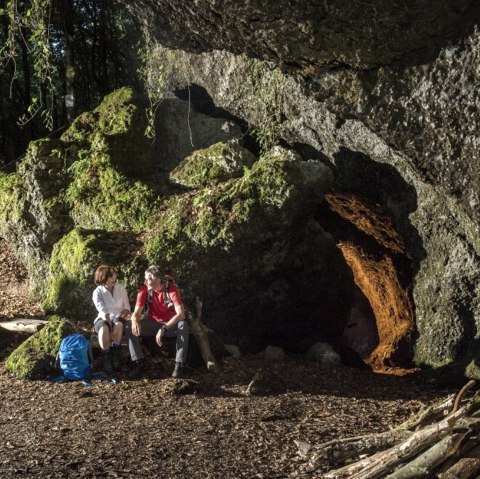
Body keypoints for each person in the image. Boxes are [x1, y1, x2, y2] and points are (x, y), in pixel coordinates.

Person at [125, 265, 189, 379]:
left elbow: (181, 314)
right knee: (129, 325)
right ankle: (138, 362)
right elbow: (137, 312)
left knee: (183, 325)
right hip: (152, 323)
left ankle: (179, 364)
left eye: (147, 278)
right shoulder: (145, 289)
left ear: (156, 279)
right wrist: (134, 319)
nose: (145, 281)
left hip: (169, 326)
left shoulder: (171, 288)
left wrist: (164, 327)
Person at [92, 264, 130, 373]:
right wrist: (109, 327)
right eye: (110, 277)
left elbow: (127, 308)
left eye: (114, 276)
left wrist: (121, 317)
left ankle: (116, 355)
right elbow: (104, 312)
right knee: (104, 328)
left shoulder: (121, 288)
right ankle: (106, 357)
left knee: (119, 325)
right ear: (103, 279)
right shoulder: (97, 292)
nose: (114, 279)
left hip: (119, 316)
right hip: (104, 317)